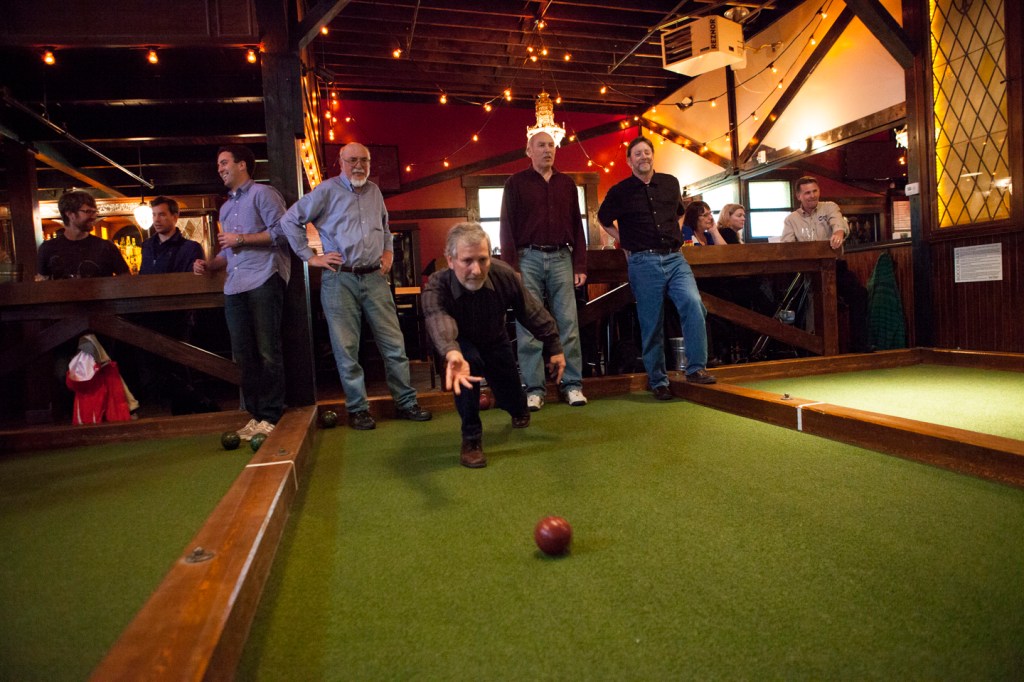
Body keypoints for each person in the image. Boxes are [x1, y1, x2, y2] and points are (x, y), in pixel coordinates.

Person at [280, 142, 431, 431]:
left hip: (375, 277)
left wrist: (388, 253)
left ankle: (405, 402)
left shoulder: (374, 192)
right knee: (346, 348)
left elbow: (385, 229)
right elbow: (289, 220)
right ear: (341, 162)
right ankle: (358, 409)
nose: (359, 165)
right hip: (340, 278)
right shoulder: (325, 191)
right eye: (352, 160)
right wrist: (310, 257)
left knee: (394, 344)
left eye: (364, 160)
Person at [423, 222, 565, 468]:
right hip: (459, 344)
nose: (476, 270)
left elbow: (530, 311)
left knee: (513, 399)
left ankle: (516, 407)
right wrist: (453, 352)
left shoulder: (504, 274)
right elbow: (438, 318)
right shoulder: (437, 285)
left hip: (495, 337)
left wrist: (554, 346)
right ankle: (471, 440)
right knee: (468, 369)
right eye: (467, 261)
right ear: (450, 259)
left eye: (483, 259)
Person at [596, 136, 716, 398]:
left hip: (675, 258)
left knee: (694, 304)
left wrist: (675, 233)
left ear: (652, 156)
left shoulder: (671, 183)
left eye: (646, 152)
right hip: (642, 261)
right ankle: (658, 380)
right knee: (651, 321)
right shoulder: (619, 191)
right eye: (637, 154)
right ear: (629, 161)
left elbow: (679, 212)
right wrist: (623, 241)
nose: (643, 157)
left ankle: (696, 369)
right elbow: (602, 219)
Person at [193, 145, 290, 439]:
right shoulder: (225, 207)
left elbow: (283, 232)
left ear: (242, 165)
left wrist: (242, 238)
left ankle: (272, 415)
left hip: (263, 278)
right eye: (218, 164)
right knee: (243, 354)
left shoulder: (264, 194)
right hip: (234, 285)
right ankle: (256, 414)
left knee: (267, 351)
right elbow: (230, 254)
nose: (219, 168)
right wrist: (210, 265)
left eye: (224, 163)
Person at [499, 131, 587, 411]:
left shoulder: (567, 183)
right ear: (529, 150)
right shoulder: (515, 184)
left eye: (551, 145)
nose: (547, 150)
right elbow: (506, 227)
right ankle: (534, 389)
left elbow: (577, 225)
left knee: (568, 324)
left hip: (562, 257)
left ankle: (572, 385)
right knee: (529, 326)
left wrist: (580, 264)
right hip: (528, 259)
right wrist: (512, 267)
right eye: (541, 145)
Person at [780, 176, 871, 353]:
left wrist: (838, 233)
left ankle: (859, 345)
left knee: (860, 295)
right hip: (807, 272)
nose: (812, 195)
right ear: (799, 196)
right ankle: (804, 348)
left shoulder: (829, 206)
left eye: (815, 191)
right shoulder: (791, 219)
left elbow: (838, 223)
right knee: (795, 304)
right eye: (807, 193)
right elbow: (787, 247)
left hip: (835, 267)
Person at [36, 190, 130, 280]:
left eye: (95, 211)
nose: (93, 216)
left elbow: (126, 281)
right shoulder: (48, 248)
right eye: (88, 212)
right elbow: (42, 283)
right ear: (70, 214)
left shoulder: (106, 247)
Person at [139, 196, 205, 274]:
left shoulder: (191, 248)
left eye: (162, 215)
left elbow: (195, 281)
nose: (156, 220)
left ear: (175, 217)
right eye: (154, 215)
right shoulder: (147, 245)